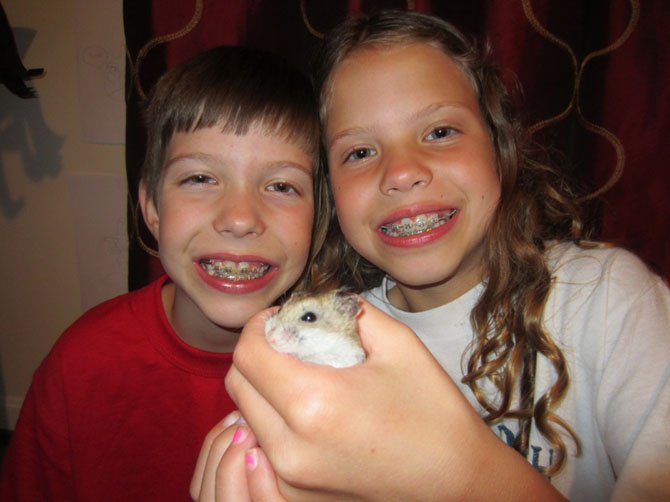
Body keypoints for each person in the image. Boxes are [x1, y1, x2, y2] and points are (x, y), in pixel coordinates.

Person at [190, 10, 670, 502]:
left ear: (499, 145)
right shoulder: (325, 341)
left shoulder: (612, 301)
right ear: (329, 192)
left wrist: (462, 476)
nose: (402, 172)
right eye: (358, 152)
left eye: (440, 132)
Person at [0, 45, 325, 501]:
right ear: (152, 207)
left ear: (317, 217)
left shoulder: (343, 374)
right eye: (200, 178)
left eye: (281, 186)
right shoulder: (80, 367)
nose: (239, 217)